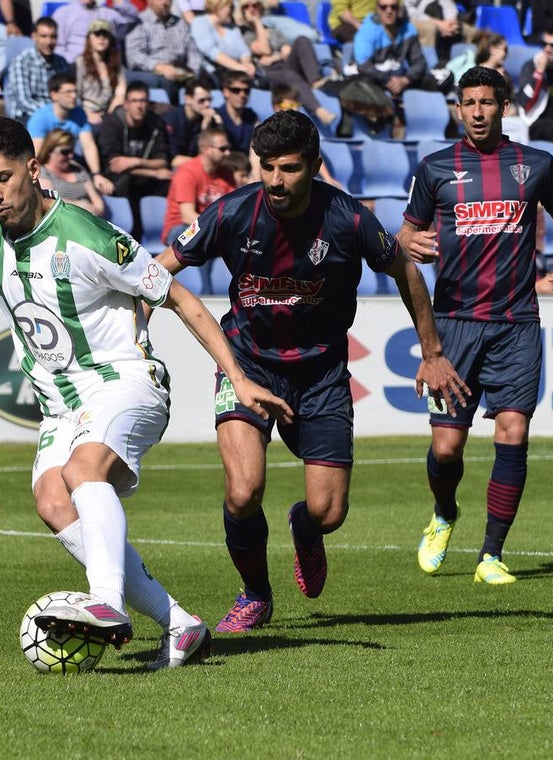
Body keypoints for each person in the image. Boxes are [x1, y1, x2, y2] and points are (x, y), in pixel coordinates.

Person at [0, 114, 294, 669]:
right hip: (61, 404)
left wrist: (236, 376)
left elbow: (179, 298)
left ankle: (106, 603)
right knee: (52, 501)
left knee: (83, 472)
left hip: (125, 381)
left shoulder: (88, 236)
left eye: (4, 179)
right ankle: (180, 626)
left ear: (33, 171)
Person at [156, 110, 468, 631]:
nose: (276, 181)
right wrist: (131, 325)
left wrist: (432, 352)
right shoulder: (231, 212)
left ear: (315, 166)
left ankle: (304, 525)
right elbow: (158, 270)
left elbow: (404, 267)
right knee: (242, 491)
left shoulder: (348, 218)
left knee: (328, 514)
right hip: (248, 364)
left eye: (290, 169)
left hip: (321, 375)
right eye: (268, 167)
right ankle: (255, 593)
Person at [396, 66, 553, 586]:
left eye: (486, 102)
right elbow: (405, 239)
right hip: (453, 326)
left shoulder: (537, 165)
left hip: (516, 322)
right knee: (446, 449)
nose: (477, 111)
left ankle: (491, 555)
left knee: (513, 431)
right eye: (468, 103)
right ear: (458, 108)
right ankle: (444, 513)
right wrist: (409, 243)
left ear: (504, 107)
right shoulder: (435, 168)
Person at [239, 0, 338, 128]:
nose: (252, 9)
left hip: (283, 65)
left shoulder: (271, 30)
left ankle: (315, 81)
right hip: (267, 73)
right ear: (242, 11)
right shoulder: (245, 32)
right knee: (290, 75)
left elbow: (286, 50)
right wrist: (257, 23)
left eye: (255, 5)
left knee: (302, 40)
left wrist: (274, 57)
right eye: (247, 6)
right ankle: (318, 110)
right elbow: (265, 49)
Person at [97, 81, 173, 238]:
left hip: (143, 176)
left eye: (143, 101)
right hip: (116, 178)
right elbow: (116, 165)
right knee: (126, 179)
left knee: (168, 180)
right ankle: (126, 234)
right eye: (134, 101)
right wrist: (153, 172)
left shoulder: (155, 123)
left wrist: (135, 161)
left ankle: (162, 233)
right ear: (126, 104)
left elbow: (162, 161)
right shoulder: (113, 122)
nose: (139, 106)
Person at [25, 72, 106, 184]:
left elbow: (88, 146)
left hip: (69, 162)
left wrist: (97, 174)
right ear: (54, 95)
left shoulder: (79, 114)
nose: (74, 96)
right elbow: (36, 153)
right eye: (68, 92)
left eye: (75, 91)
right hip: (46, 168)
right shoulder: (40, 118)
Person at [161, 126, 236, 244]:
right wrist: (217, 230)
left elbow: (233, 209)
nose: (228, 153)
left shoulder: (227, 174)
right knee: (200, 240)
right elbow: (187, 215)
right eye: (222, 148)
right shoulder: (187, 172)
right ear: (206, 149)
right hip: (182, 228)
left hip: (211, 228)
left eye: (228, 148)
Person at [124, 0, 205, 104]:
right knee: (167, 82)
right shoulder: (140, 22)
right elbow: (134, 55)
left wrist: (193, 71)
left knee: (207, 80)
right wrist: (159, 67)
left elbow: (193, 51)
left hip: (179, 70)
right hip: (150, 71)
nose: (164, 3)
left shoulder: (180, 23)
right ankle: (174, 113)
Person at [5, 17, 73, 124]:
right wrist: (52, 113)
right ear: (34, 36)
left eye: (53, 37)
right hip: (27, 117)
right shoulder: (22, 61)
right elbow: (24, 102)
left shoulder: (62, 63)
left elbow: (70, 92)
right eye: (44, 36)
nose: (49, 42)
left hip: (59, 115)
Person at [37, 128, 106, 215]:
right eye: (65, 152)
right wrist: (82, 206)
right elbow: (51, 202)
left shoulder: (78, 170)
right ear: (50, 151)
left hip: (90, 219)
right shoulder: (43, 172)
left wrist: (93, 213)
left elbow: (99, 204)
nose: (70, 156)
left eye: (72, 151)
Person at [75, 19, 126, 125]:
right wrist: (88, 114)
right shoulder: (80, 63)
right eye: (97, 34)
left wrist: (109, 115)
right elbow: (75, 95)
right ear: (89, 38)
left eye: (105, 34)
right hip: (85, 113)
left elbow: (120, 94)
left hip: (108, 112)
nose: (101, 38)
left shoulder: (116, 63)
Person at [162, 77, 222, 167]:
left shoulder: (209, 119)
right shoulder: (172, 119)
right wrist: (203, 162)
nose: (207, 104)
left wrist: (206, 130)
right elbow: (174, 160)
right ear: (188, 99)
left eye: (209, 100)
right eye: (201, 101)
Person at [53, 0, 131, 63]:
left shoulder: (106, 13)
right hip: (73, 64)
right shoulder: (64, 13)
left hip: (104, 64)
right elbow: (57, 47)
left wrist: (119, 2)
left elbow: (131, 20)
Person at [214, 70, 259, 154]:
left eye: (246, 91)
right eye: (236, 90)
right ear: (225, 92)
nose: (242, 95)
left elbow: (254, 152)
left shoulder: (252, 117)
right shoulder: (215, 116)